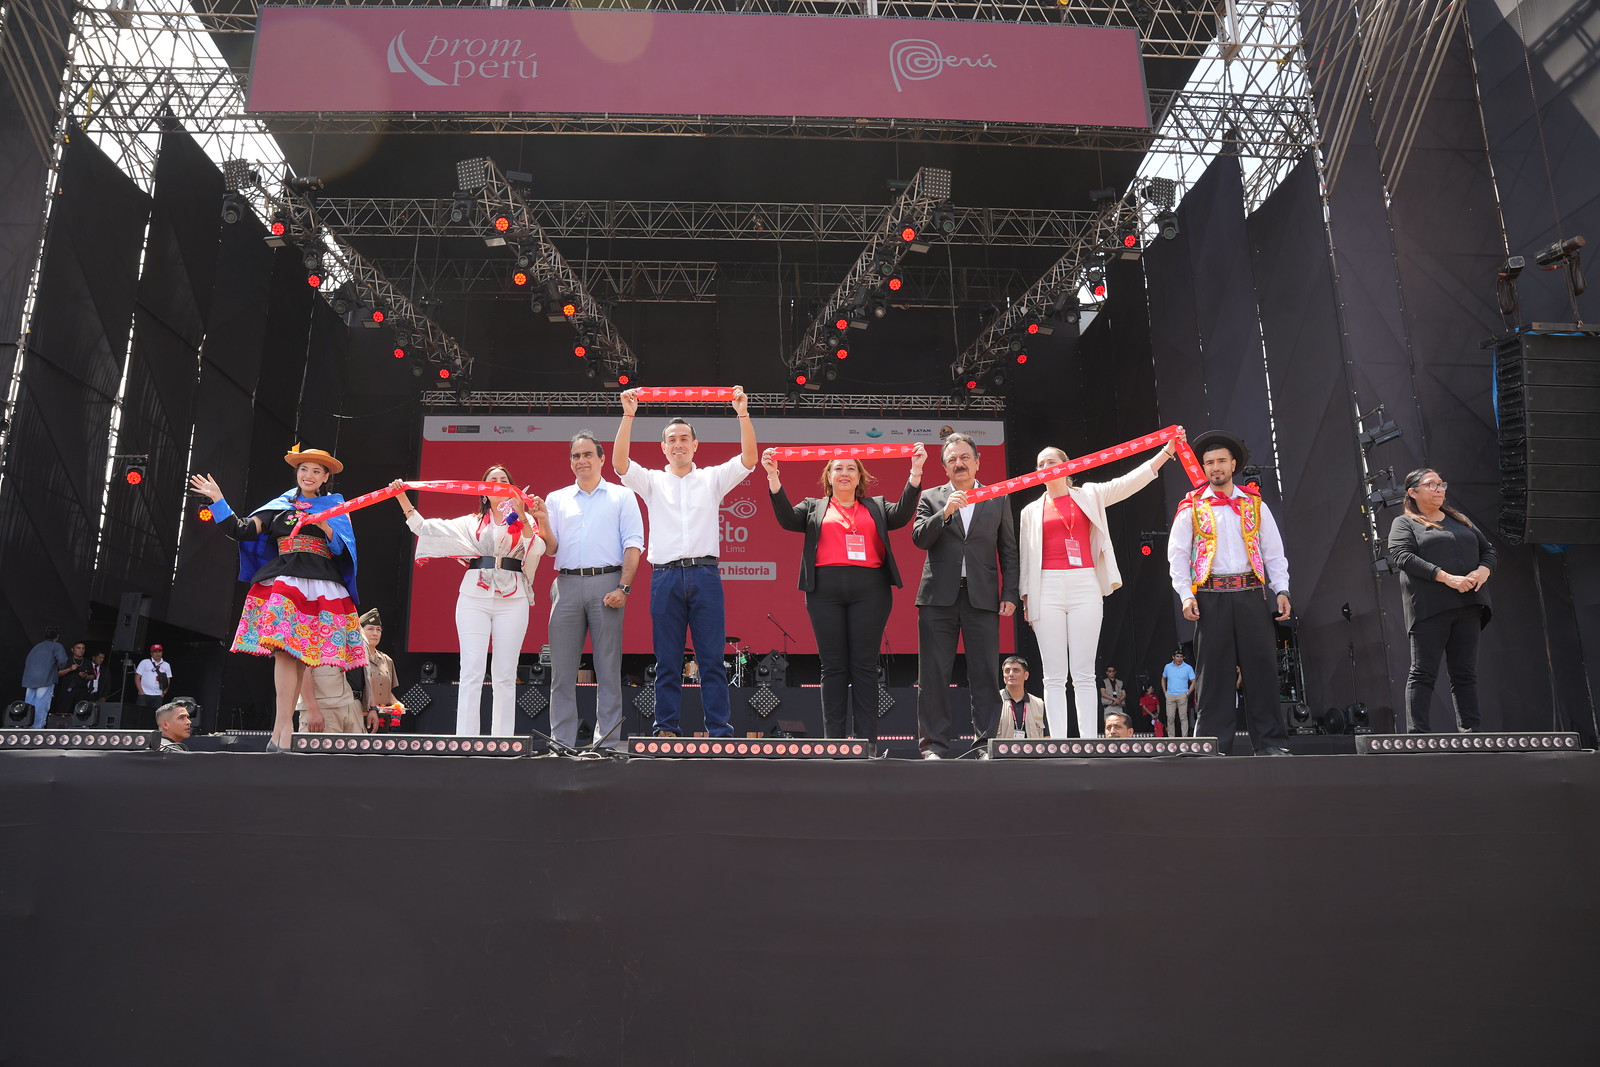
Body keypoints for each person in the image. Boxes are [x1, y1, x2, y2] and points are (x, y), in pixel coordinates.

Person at [189, 445, 366, 752]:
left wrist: (325, 527)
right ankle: (281, 728)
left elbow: (343, 551)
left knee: (301, 656)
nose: (308, 475)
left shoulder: (335, 508)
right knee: (284, 650)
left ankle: (282, 730)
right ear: (297, 473)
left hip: (321, 584)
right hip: (286, 580)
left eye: (316, 471)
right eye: (303, 469)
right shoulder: (279, 506)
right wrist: (218, 500)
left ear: (325, 477)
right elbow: (241, 530)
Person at [614, 386, 758, 739]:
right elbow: (619, 464)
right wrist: (628, 415)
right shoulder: (652, 481)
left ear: (695, 445)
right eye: (671, 440)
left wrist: (742, 413)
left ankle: (720, 731)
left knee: (711, 660)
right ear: (663, 447)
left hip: (704, 575)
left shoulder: (712, 478)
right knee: (667, 660)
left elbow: (749, 459)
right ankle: (666, 728)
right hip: (665, 577)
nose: (678, 444)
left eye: (684, 439)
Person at [762, 442, 926, 750]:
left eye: (851, 468)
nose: (845, 472)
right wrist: (773, 477)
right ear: (828, 476)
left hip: (870, 591)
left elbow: (903, 515)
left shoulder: (876, 506)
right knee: (833, 666)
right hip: (824, 591)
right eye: (838, 468)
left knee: (865, 666)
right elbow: (787, 519)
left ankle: (867, 744)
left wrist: (915, 471)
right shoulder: (814, 507)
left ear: (860, 476)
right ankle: (834, 744)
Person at [1020, 437, 1181, 739]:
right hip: (1046, 586)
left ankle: (1088, 741)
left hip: (1084, 583)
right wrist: (1027, 598)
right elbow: (1026, 559)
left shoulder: (1089, 495)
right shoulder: (1030, 510)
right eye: (1040, 464)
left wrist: (1165, 453)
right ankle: (1058, 742)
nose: (1045, 467)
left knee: (1083, 672)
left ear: (1067, 466)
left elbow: (1127, 483)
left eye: (1051, 462)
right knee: (1054, 675)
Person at [390, 465, 551, 736]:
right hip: (474, 596)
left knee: (505, 673)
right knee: (471, 671)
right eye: (492, 480)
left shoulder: (525, 520)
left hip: (513, 597)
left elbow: (536, 549)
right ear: (483, 492)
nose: (498, 483)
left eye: (504, 480)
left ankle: (503, 740)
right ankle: (467, 740)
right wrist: (402, 497)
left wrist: (522, 516)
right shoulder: (470, 523)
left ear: (512, 488)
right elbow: (424, 527)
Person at [1167, 430, 1292, 756]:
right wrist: (1186, 595)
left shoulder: (1254, 503)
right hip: (1211, 597)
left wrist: (1281, 589)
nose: (1215, 467)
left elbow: (1273, 551)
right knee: (1213, 675)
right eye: (1209, 462)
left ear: (1233, 464)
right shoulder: (1191, 506)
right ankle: (1211, 744)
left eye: (1221, 460)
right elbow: (1177, 555)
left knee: (1261, 669)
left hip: (1251, 594)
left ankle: (1270, 743)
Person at [911, 432, 1019, 759]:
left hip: (982, 598)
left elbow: (1008, 550)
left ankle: (985, 745)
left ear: (977, 462)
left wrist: (1010, 592)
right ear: (945, 467)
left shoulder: (997, 497)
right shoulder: (931, 497)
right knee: (933, 675)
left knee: (984, 673)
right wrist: (944, 513)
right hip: (937, 599)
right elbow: (919, 538)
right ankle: (933, 746)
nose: (959, 463)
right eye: (952, 459)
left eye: (965, 457)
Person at [544, 431, 645, 752]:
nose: (581, 460)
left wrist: (624, 587)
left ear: (602, 459)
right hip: (566, 585)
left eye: (588, 454)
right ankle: (561, 742)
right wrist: (541, 522)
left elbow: (633, 544)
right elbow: (551, 548)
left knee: (608, 669)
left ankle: (607, 743)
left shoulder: (622, 496)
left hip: (607, 584)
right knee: (561, 672)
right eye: (576, 456)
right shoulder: (555, 499)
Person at [1386, 468, 1496, 733]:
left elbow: (1488, 550)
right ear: (1413, 492)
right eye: (1431, 484)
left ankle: (1472, 733)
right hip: (1430, 608)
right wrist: (1447, 578)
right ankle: (1418, 736)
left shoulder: (1460, 519)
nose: (1439, 489)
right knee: (1423, 673)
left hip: (1469, 605)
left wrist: (1483, 571)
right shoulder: (1405, 523)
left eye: (1441, 484)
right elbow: (1403, 556)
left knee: (1465, 674)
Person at [354, 609, 402, 729]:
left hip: (382, 717)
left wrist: (397, 704)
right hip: (361, 716)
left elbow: (387, 692)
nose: (375, 633)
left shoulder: (386, 660)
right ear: (360, 631)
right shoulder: (355, 659)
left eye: (378, 630)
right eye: (370, 629)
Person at [295, 665, 370, 734]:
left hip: (355, 705)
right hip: (323, 708)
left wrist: (372, 707)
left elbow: (368, 671)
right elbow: (303, 671)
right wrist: (312, 709)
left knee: (357, 744)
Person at [20, 626, 69, 728]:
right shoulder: (57, 646)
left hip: (30, 679)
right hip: (46, 679)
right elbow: (63, 662)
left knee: (29, 705)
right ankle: (37, 729)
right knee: (41, 705)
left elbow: (27, 661)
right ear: (57, 637)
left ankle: (26, 727)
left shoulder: (36, 647)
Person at [996, 655, 1048, 739]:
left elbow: (1047, 737)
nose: (1011, 674)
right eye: (1007, 671)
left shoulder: (1039, 704)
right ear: (1003, 677)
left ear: (1026, 675)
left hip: (1032, 748)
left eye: (1016, 670)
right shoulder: (993, 702)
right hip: (1002, 748)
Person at [54, 642, 94, 718]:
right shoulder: (66, 660)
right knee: (64, 713)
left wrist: (86, 676)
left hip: (81, 692)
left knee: (80, 713)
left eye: (83, 648)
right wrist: (70, 669)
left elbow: (93, 676)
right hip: (66, 691)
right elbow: (58, 673)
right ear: (72, 649)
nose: (81, 650)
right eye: (78, 648)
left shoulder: (87, 662)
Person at [1160, 651, 1195, 738]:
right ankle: (1171, 738)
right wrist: (1165, 692)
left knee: (1183, 718)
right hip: (1170, 695)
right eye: (1177, 656)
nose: (1179, 659)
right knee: (1170, 718)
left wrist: (1188, 693)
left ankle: (1184, 738)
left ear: (1183, 658)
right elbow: (1163, 678)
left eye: (1181, 657)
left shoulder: (1188, 668)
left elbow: (1194, 681)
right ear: (1173, 657)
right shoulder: (1168, 667)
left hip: (1182, 695)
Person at [133, 644, 172, 717]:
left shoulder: (166, 665)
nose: (157, 654)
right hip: (144, 695)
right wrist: (141, 692)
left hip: (158, 696)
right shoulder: (145, 662)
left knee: (155, 717)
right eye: (155, 652)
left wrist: (163, 693)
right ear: (151, 653)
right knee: (140, 716)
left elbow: (168, 680)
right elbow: (137, 677)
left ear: (162, 652)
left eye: (159, 651)